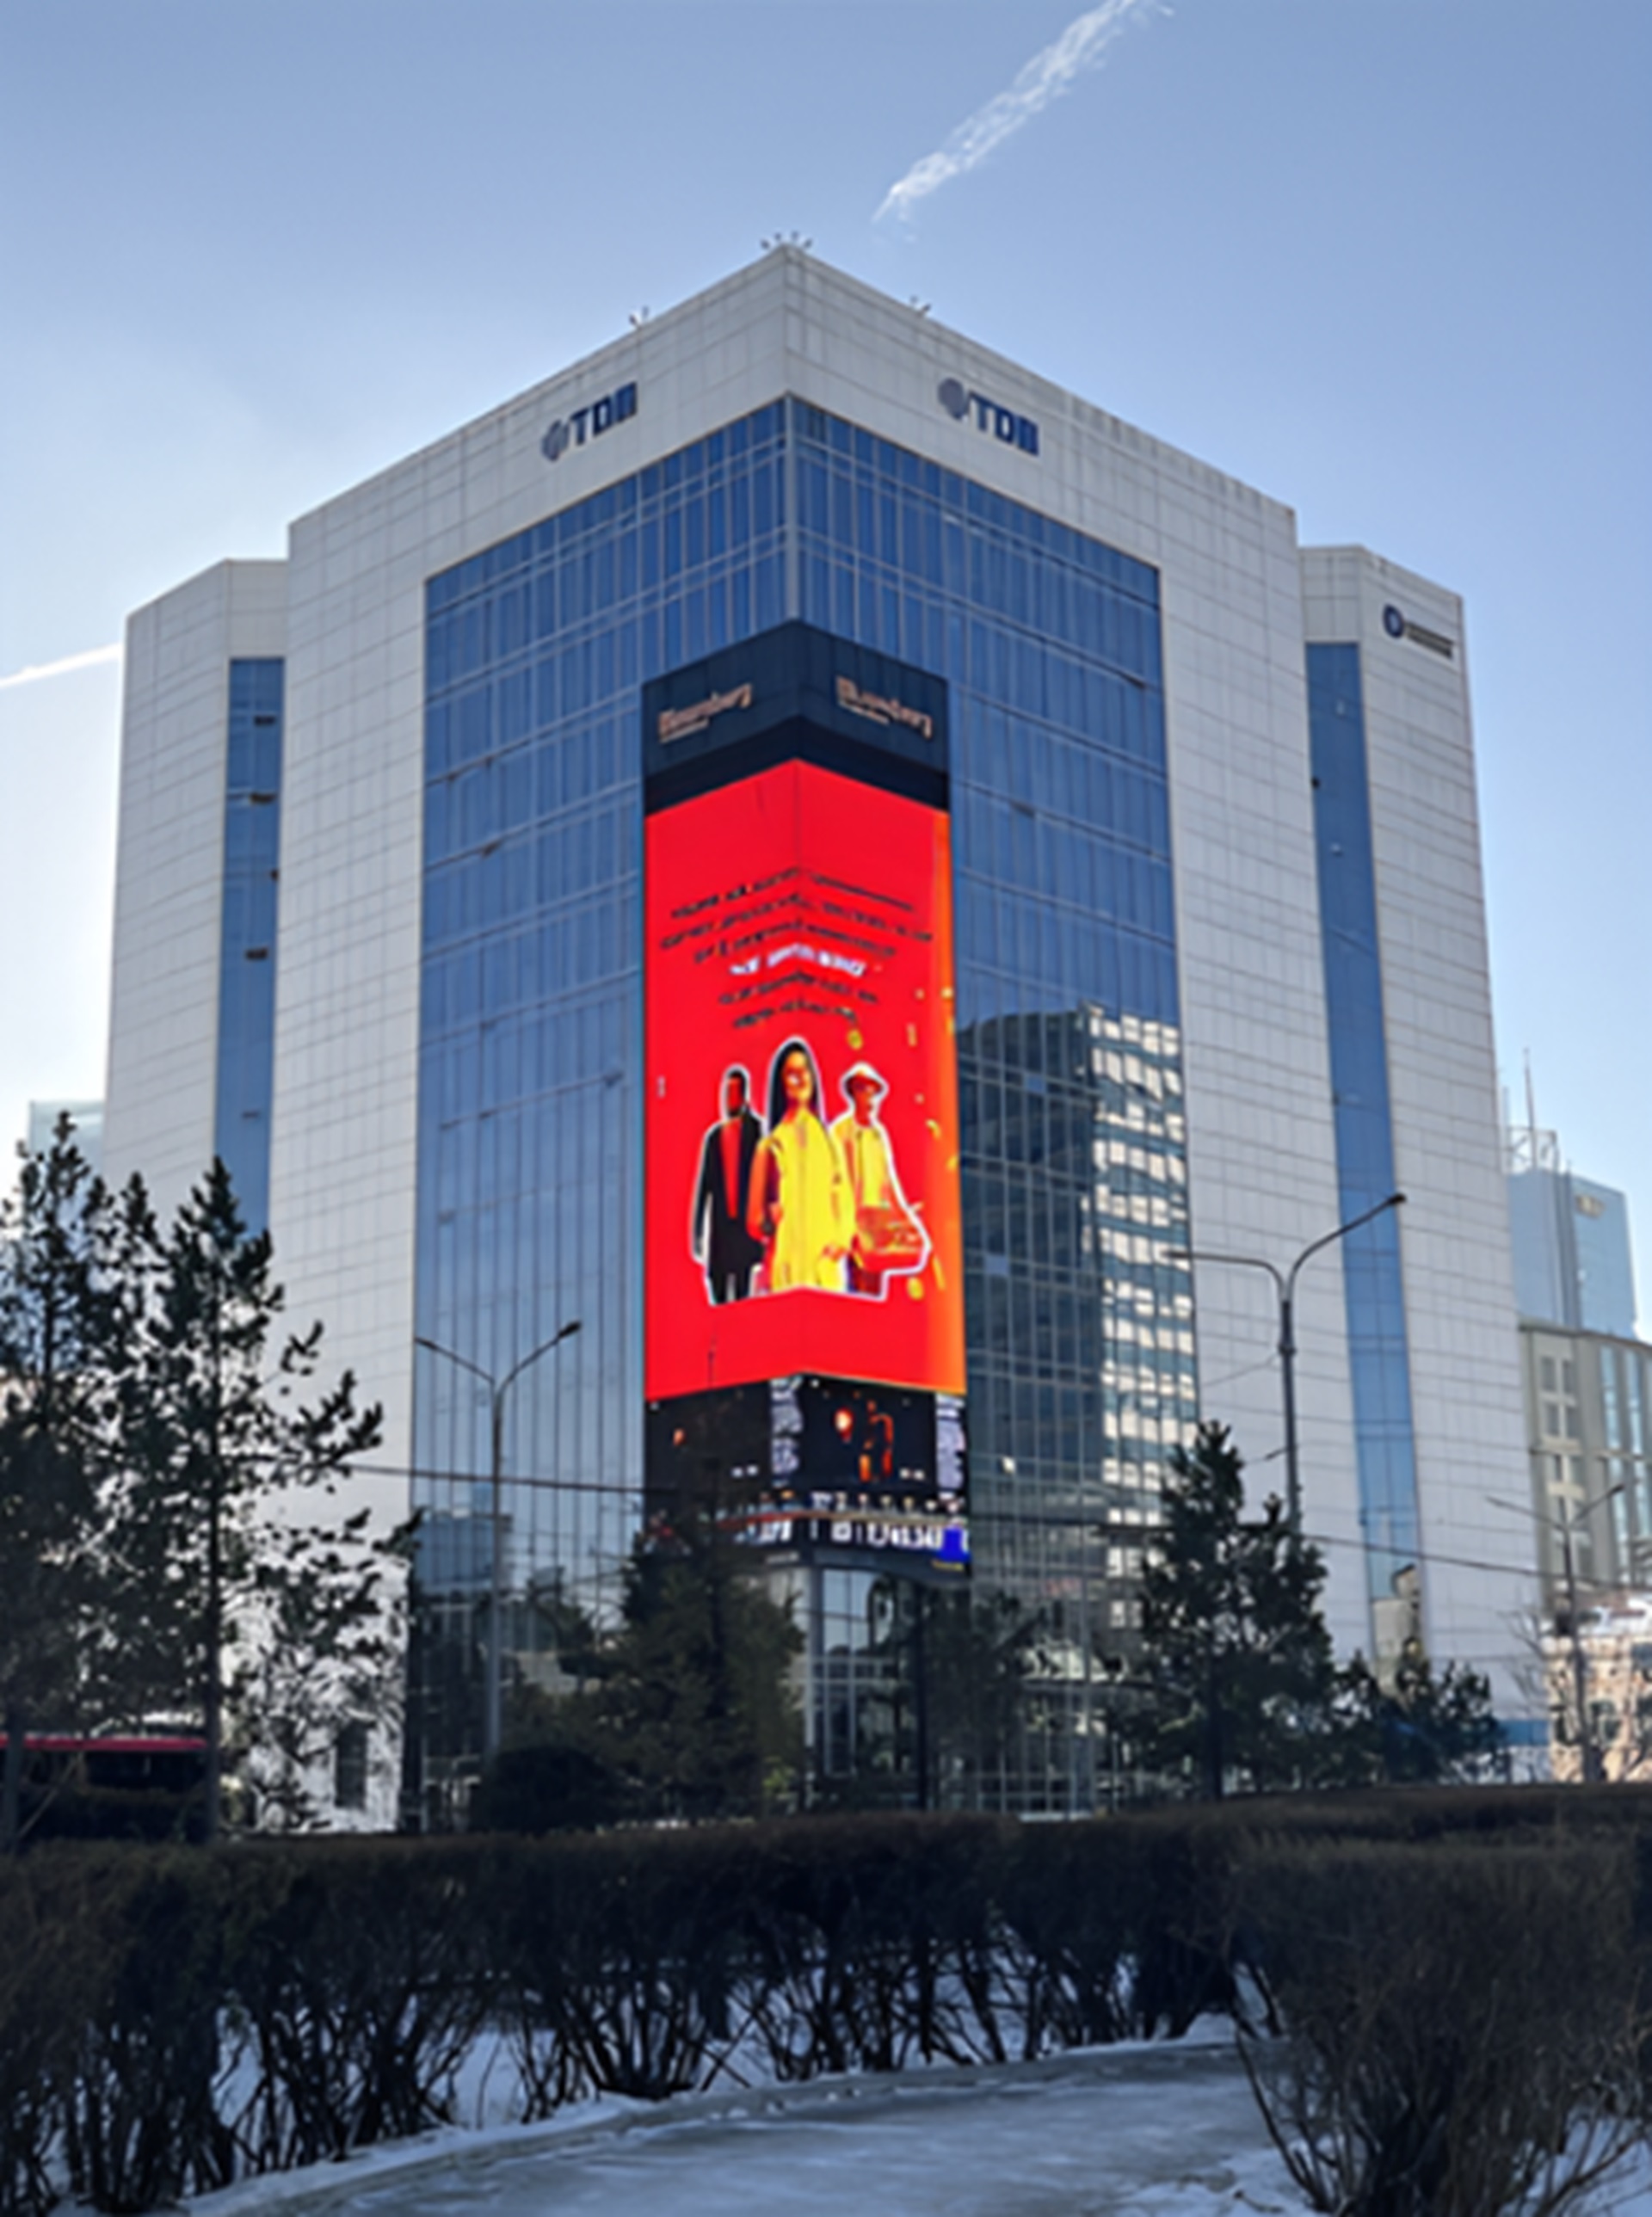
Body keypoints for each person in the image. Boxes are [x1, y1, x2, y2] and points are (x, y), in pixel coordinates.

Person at [747, 1038, 852, 1292]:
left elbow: (844, 1200)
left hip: (823, 1268)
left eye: (804, 1070)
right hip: (786, 1264)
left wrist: (841, 1241)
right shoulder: (770, 1146)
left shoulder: (830, 1142)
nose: (800, 1079)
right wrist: (770, 1222)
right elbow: (754, 1220)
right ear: (781, 1084)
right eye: (791, 1074)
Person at [829, 1062, 929, 1296]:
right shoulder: (840, 1131)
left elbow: (888, 1180)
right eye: (864, 1090)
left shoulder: (878, 1135)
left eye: (873, 1092)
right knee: (857, 1282)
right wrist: (847, 1224)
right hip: (853, 1218)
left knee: (876, 1281)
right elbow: (838, 1181)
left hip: (879, 1219)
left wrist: (905, 1215)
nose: (870, 1098)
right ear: (854, 1093)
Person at [691, 1066, 764, 1302]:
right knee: (719, 1286)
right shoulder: (714, 1138)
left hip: (745, 1226)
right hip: (722, 1228)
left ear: (744, 1096)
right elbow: (704, 1188)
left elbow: (765, 1177)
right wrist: (697, 1233)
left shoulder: (755, 1131)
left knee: (743, 1286)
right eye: (726, 1093)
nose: (729, 1099)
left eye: (734, 1093)